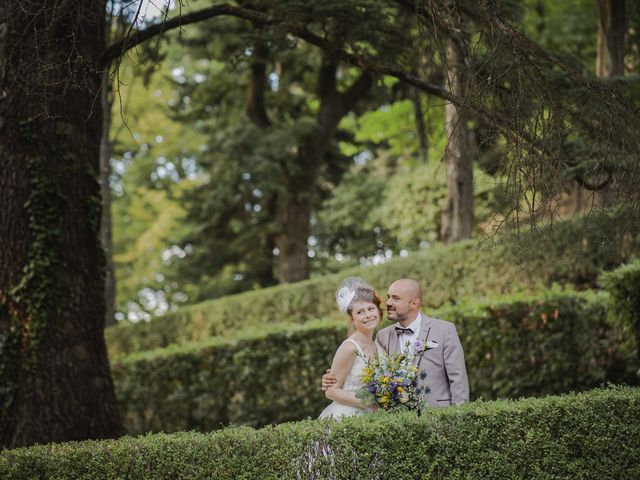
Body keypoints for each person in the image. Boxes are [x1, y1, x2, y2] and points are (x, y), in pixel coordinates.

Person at [322, 278, 469, 407]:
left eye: (395, 298)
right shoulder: (383, 337)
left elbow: (458, 379)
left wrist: (457, 418)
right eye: (388, 297)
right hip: (398, 421)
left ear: (414, 303)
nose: (388, 303)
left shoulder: (444, 330)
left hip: (438, 414)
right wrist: (332, 379)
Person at [318, 277, 382, 419]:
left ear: (378, 311)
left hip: (374, 417)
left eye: (371, 309)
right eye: (360, 312)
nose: (368, 315)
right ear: (352, 319)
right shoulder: (349, 347)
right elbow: (331, 391)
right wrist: (368, 403)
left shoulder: (379, 346)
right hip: (347, 416)